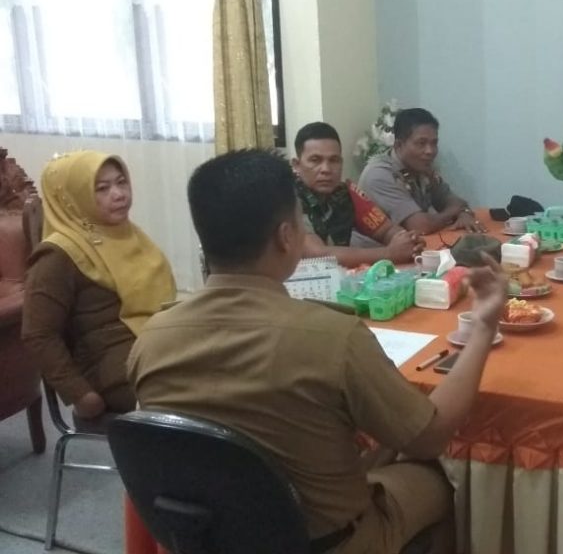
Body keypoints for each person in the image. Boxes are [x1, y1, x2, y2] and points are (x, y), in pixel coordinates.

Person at [129, 149, 506, 554]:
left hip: (212, 535)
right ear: (286, 236)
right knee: (438, 477)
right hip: (327, 541)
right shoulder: (332, 337)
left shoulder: (151, 340)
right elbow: (430, 436)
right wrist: (484, 326)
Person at [21, 151, 176, 418]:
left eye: (121, 182)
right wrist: (82, 395)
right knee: (200, 396)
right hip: (113, 369)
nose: (119, 194)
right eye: (102, 189)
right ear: (71, 198)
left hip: (156, 349)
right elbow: (38, 334)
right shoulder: (57, 257)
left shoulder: (128, 236)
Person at [292, 122, 423, 267]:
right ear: (297, 165)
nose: (326, 169)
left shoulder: (345, 193)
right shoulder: (288, 198)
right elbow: (316, 255)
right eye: (315, 160)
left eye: (334, 160)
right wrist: (389, 254)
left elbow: (387, 230)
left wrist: (408, 240)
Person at [358, 108, 484, 235]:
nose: (430, 151)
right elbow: (420, 226)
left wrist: (464, 214)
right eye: (421, 143)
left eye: (434, 143)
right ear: (398, 145)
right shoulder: (379, 175)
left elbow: (454, 201)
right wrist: (454, 211)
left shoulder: (420, 166)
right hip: (376, 247)